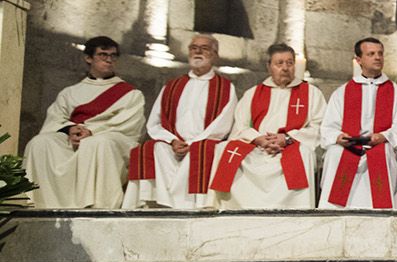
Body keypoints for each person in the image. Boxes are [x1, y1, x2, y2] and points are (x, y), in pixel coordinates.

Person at [23, 36, 146, 209]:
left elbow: (130, 124)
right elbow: (55, 118)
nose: (109, 59)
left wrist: (91, 131)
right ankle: (42, 204)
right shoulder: (70, 92)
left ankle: (99, 207)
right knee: (39, 143)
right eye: (103, 55)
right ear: (88, 58)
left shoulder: (131, 94)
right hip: (74, 137)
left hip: (110, 138)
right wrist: (70, 129)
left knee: (97, 143)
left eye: (113, 55)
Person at [123, 34, 236, 209]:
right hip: (173, 143)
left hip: (202, 143)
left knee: (200, 151)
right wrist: (172, 141)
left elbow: (223, 123)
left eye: (204, 48)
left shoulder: (225, 87)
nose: (197, 52)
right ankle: (161, 201)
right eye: (193, 48)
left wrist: (192, 143)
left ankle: (190, 204)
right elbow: (155, 121)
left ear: (214, 54)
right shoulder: (172, 85)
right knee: (155, 147)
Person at [211, 44, 327, 210]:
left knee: (304, 153)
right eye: (279, 63)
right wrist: (258, 139)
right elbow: (240, 125)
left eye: (289, 63)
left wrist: (286, 138)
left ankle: (296, 210)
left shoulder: (311, 93)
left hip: (291, 145)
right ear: (269, 66)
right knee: (223, 149)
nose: (285, 68)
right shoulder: (253, 93)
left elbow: (319, 127)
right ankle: (231, 208)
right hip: (257, 146)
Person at [318, 37, 397, 209]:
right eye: (371, 54)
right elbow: (328, 127)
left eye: (380, 53)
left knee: (385, 154)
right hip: (350, 145)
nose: (377, 57)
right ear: (358, 60)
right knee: (335, 153)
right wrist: (338, 137)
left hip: (382, 145)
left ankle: (383, 217)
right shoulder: (342, 93)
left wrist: (383, 136)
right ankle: (335, 216)